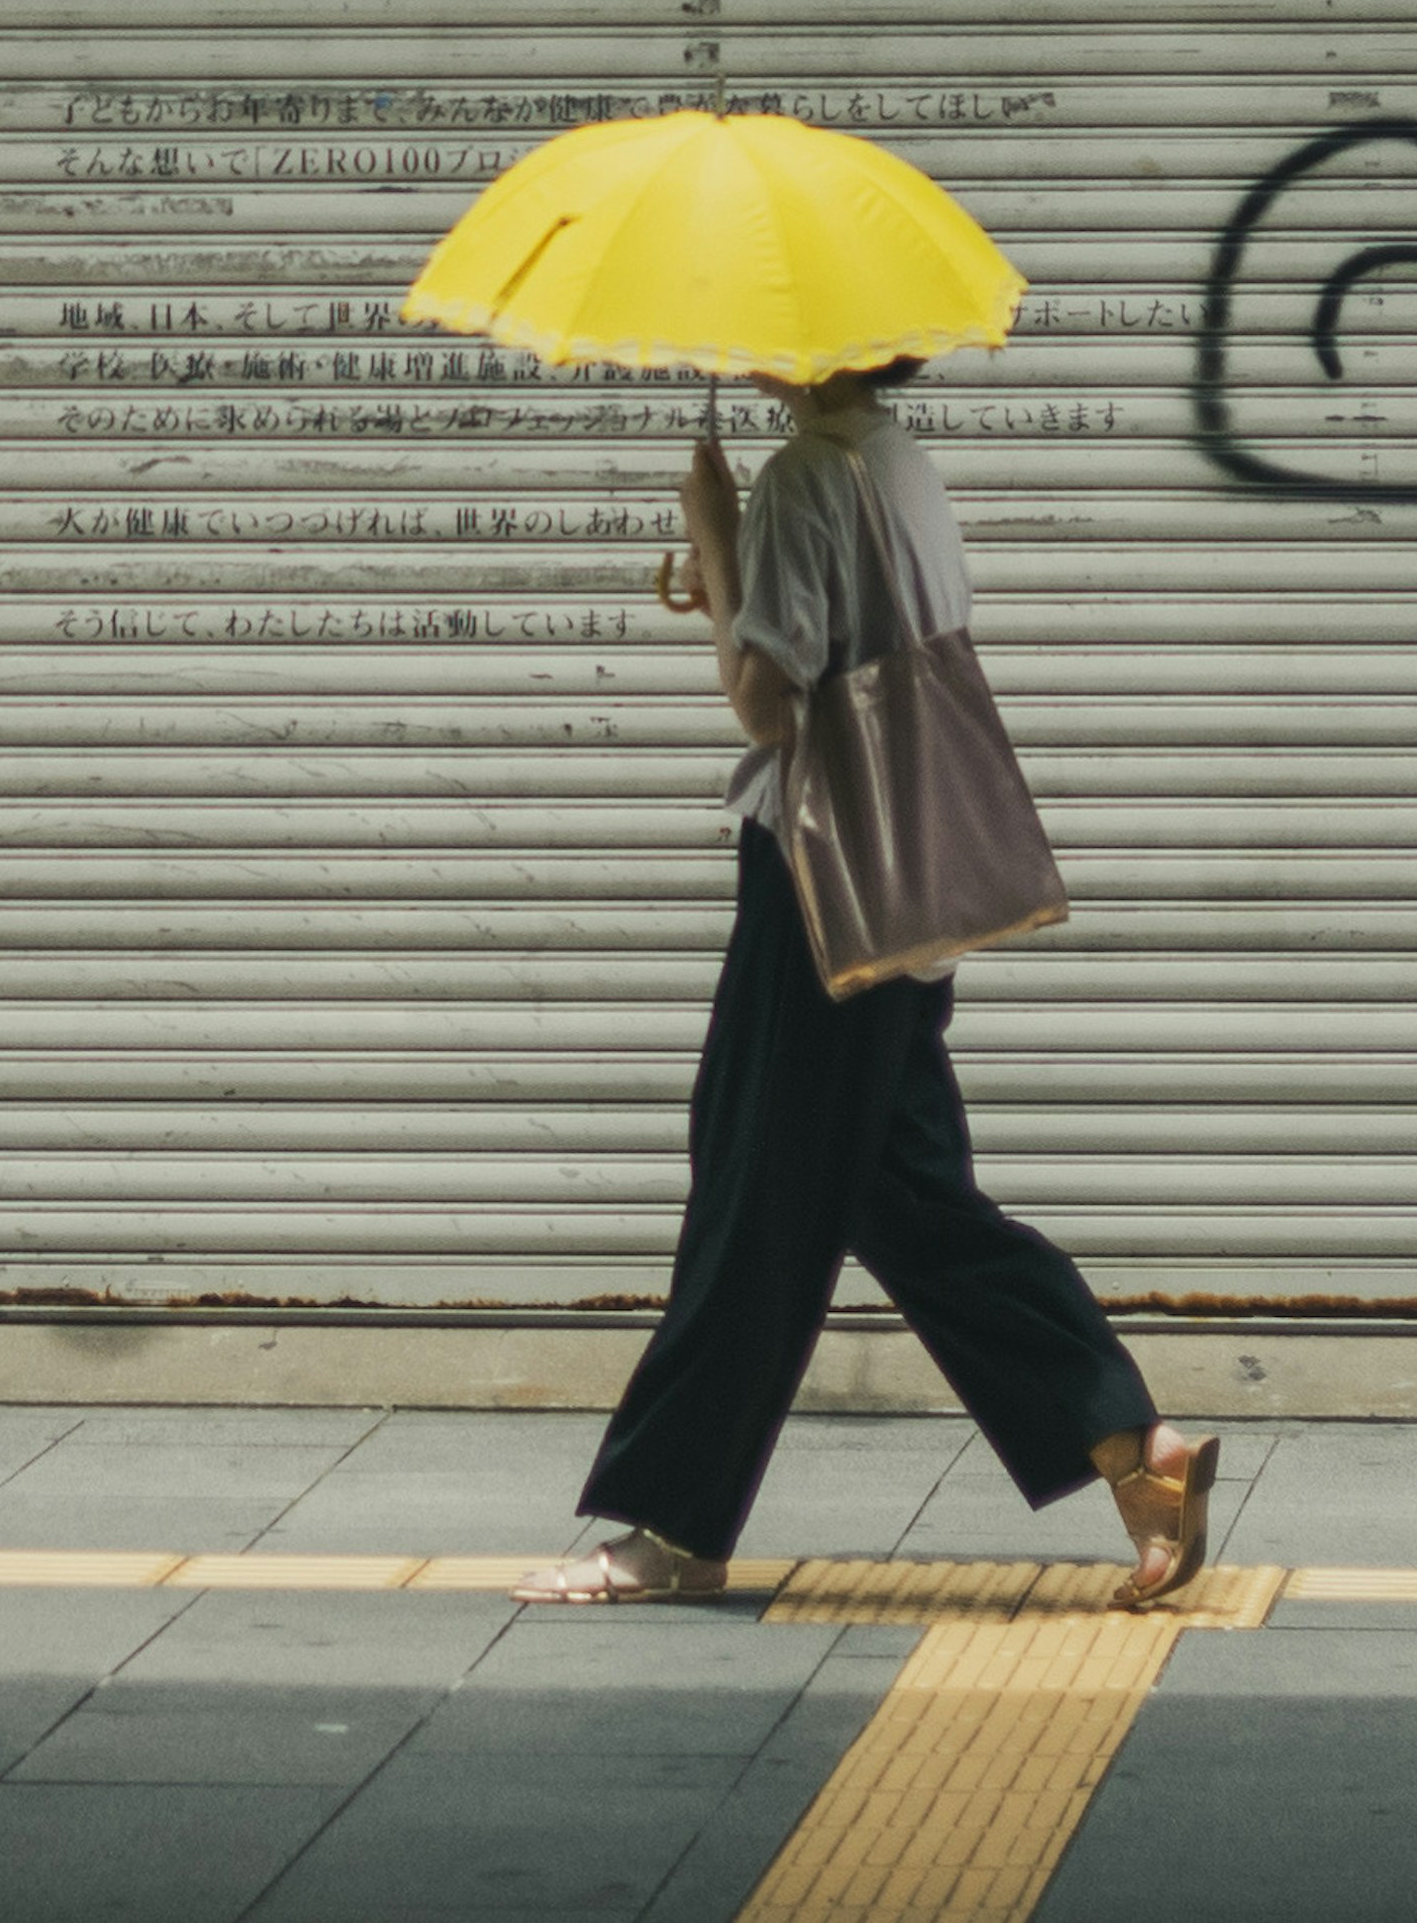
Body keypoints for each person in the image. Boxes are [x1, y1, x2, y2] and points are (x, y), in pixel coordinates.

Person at [515, 359, 1217, 1608]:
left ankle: (670, 1531)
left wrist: (720, 540)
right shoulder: (904, 469)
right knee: (912, 1204)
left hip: (816, 897)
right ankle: (1132, 1446)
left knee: (753, 1205)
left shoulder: (800, 482)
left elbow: (766, 704)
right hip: (909, 893)